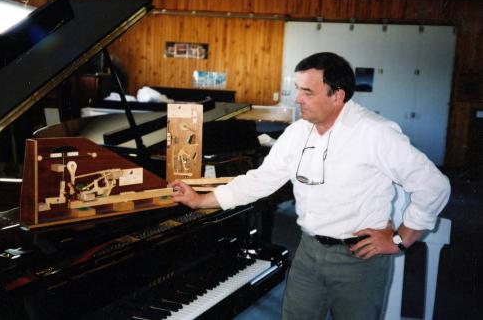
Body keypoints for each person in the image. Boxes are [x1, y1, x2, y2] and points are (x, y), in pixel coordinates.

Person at [170, 52, 450, 320]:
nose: (298, 99)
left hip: (359, 259)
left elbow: (433, 186)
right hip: (308, 252)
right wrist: (200, 200)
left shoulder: (375, 132)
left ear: (337, 96)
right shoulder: (296, 133)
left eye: (308, 92)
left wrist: (401, 240)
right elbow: (260, 180)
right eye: (298, 89)